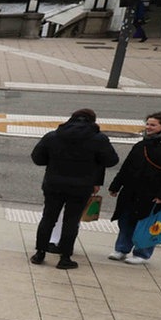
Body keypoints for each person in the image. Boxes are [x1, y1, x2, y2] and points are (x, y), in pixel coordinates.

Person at [30, 109, 119, 269]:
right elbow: (111, 160)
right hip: (81, 186)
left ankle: (40, 253)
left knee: (48, 218)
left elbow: (37, 158)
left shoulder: (53, 136)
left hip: (54, 184)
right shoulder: (99, 139)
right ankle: (64, 258)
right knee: (71, 221)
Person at [107, 111, 161, 264]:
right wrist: (116, 185)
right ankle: (121, 249)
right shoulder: (142, 144)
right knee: (126, 219)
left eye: (153, 125)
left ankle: (142, 253)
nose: (148, 127)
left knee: (148, 223)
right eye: (148, 124)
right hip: (131, 190)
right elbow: (127, 166)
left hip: (154, 192)